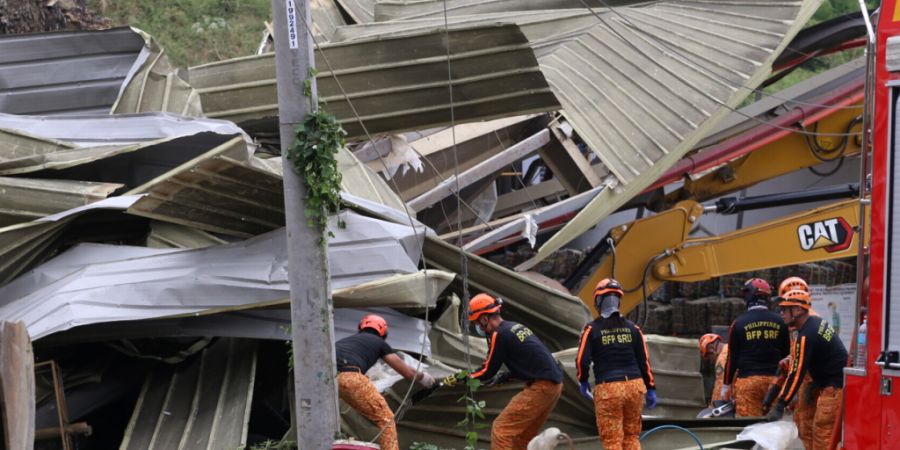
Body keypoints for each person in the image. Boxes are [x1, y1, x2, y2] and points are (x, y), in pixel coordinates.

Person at [444, 293, 564, 450]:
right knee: (524, 435)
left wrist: (461, 377)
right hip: (554, 386)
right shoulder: (515, 327)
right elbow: (530, 362)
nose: (478, 327)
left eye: (477, 323)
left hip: (541, 387)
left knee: (502, 429)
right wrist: (504, 377)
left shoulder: (499, 334)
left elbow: (487, 370)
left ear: (484, 319)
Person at [335, 314, 436, 450]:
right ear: (383, 332)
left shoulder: (343, 341)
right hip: (351, 377)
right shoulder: (379, 343)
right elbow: (408, 372)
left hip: (328, 382)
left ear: (360, 327)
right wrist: (425, 379)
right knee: (386, 420)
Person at [577, 278, 656, 450]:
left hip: (609, 389)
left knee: (612, 440)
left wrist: (583, 381)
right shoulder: (634, 329)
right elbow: (644, 361)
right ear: (619, 300)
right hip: (635, 387)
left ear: (598, 301)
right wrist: (650, 388)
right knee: (632, 436)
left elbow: (582, 360)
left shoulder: (591, 329)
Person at [768, 290, 848, 450]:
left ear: (798, 310)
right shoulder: (815, 323)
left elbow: (796, 373)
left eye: (785, 309)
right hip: (835, 384)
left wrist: (780, 404)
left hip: (834, 388)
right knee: (819, 432)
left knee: (822, 435)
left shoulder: (806, 335)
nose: (781, 313)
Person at [721, 278, 790, 416]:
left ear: (750, 296)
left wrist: (726, 385)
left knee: (750, 425)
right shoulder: (781, 322)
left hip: (748, 383)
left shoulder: (738, 323)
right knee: (773, 425)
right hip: (774, 383)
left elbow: (732, 358)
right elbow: (787, 355)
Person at [699, 333, 728, 406]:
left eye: (708, 355)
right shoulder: (729, 348)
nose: (709, 359)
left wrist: (713, 405)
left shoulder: (721, 359)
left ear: (711, 349)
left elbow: (720, 385)